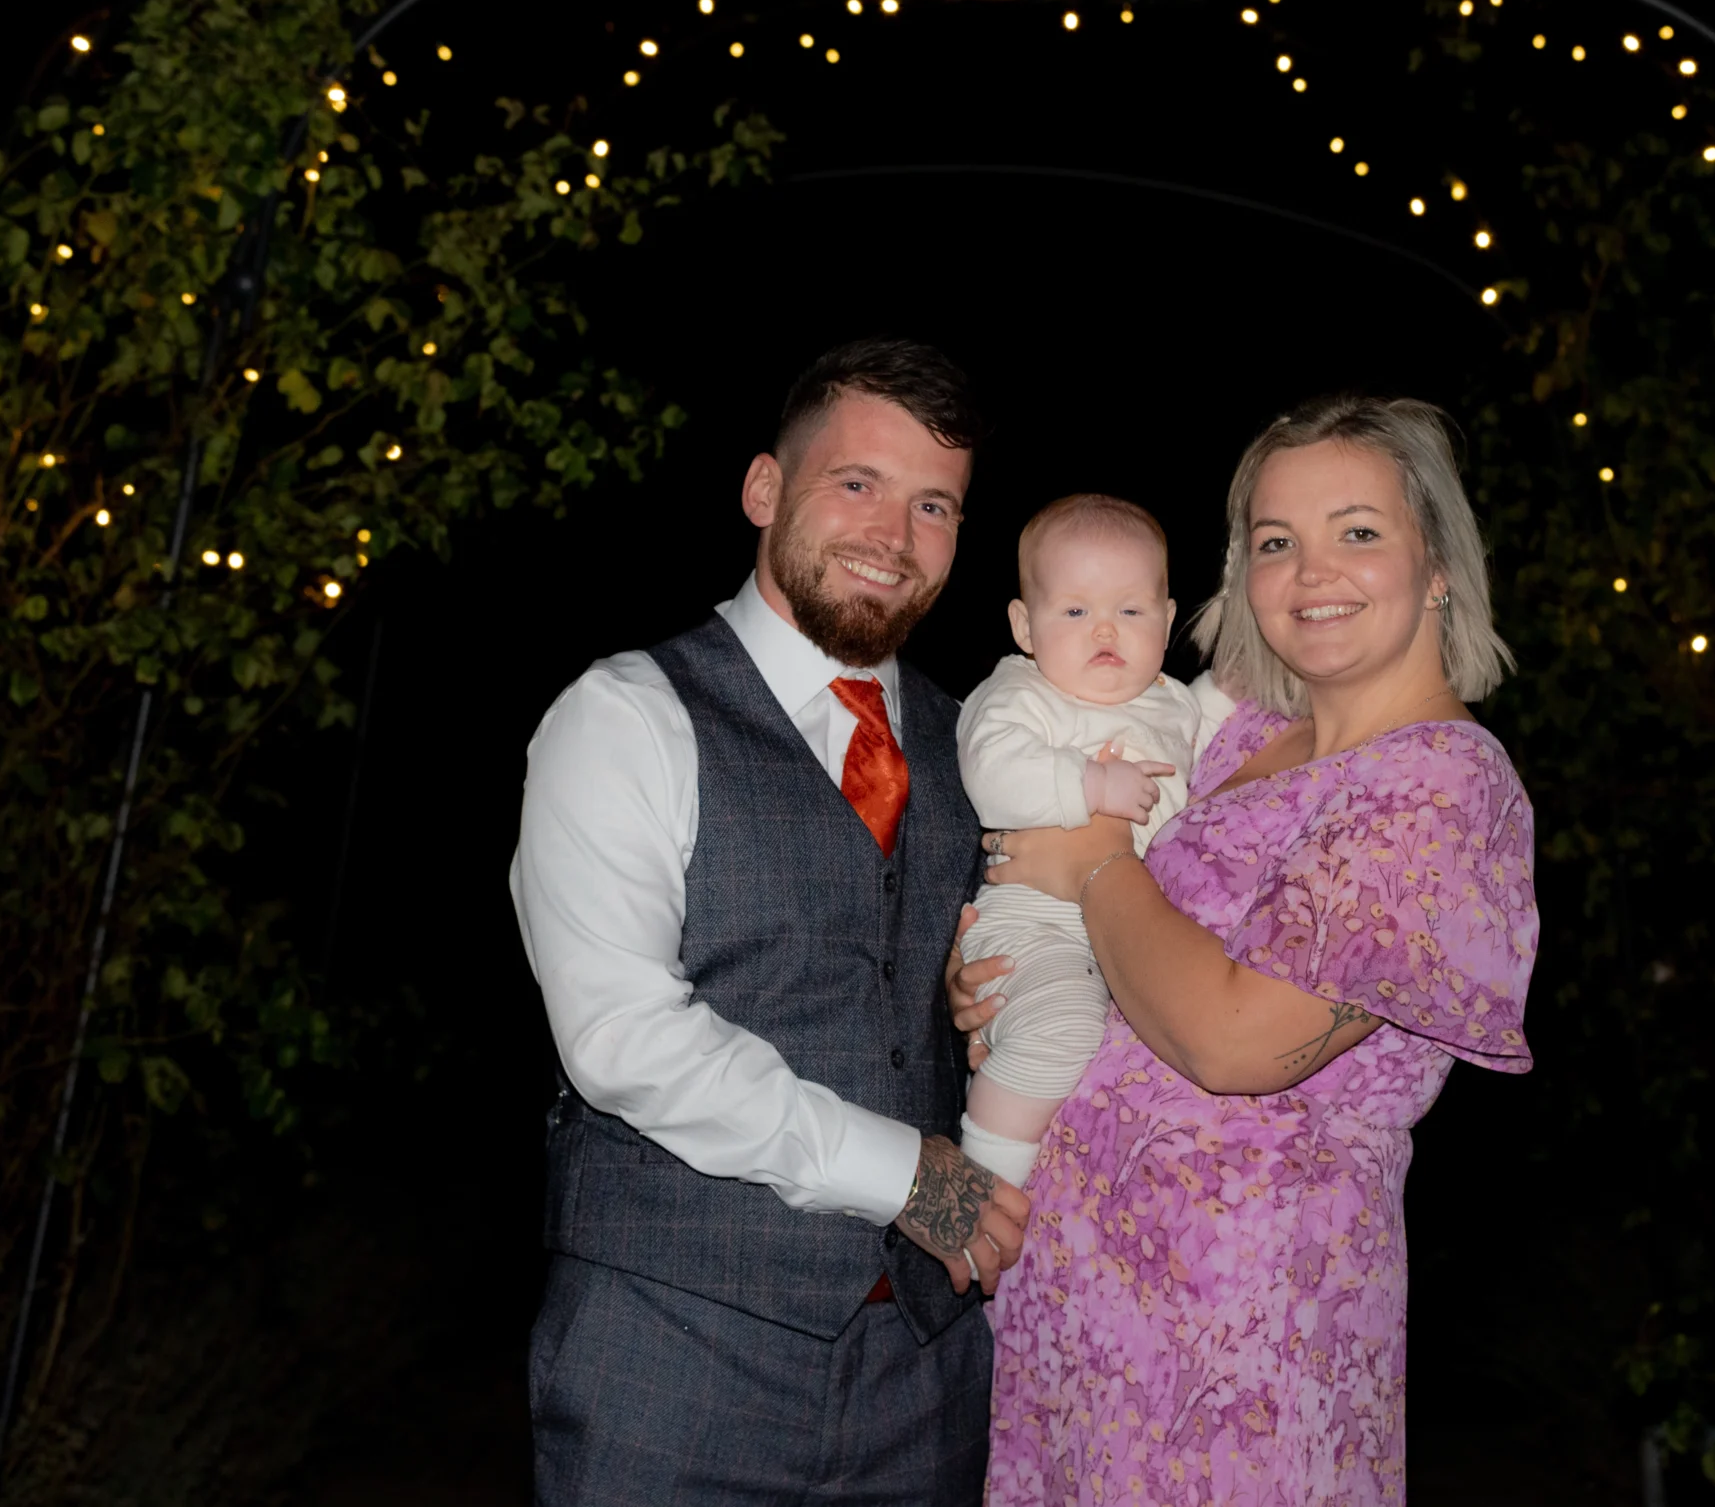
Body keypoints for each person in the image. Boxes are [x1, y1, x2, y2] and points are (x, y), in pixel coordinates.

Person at [957, 394, 1541, 1505]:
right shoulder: (1236, 743)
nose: (1312, 570)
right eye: (1276, 542)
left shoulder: (1442, 787)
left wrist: (1087, 862)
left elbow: (1233, 1041)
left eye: (1357, 531)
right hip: (1074, 1321)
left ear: (1437, 565)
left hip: (1236, 1355)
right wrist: (997, 951)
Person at [511, 339, 1030, 1506]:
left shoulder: (985, 747)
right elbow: (623, 1041)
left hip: (929, 1378)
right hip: (673, 1357)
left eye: (933, 503)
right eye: (858, 484)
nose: (893, 537)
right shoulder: (628, 716)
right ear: (763, 490)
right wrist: (916, 1179)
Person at [950, 495, 1212, 1189]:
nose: (1105, 629)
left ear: (1166, 619)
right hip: (1034, 921)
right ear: (1024, 625)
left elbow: (1242, 707)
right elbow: (990, 769)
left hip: (1128, 939)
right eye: (1074, 611)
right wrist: (1090, 787)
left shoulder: (1178, 702)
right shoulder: (1021, 692)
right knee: (1061, 1028)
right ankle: (985, 1193)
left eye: (1131, 610)